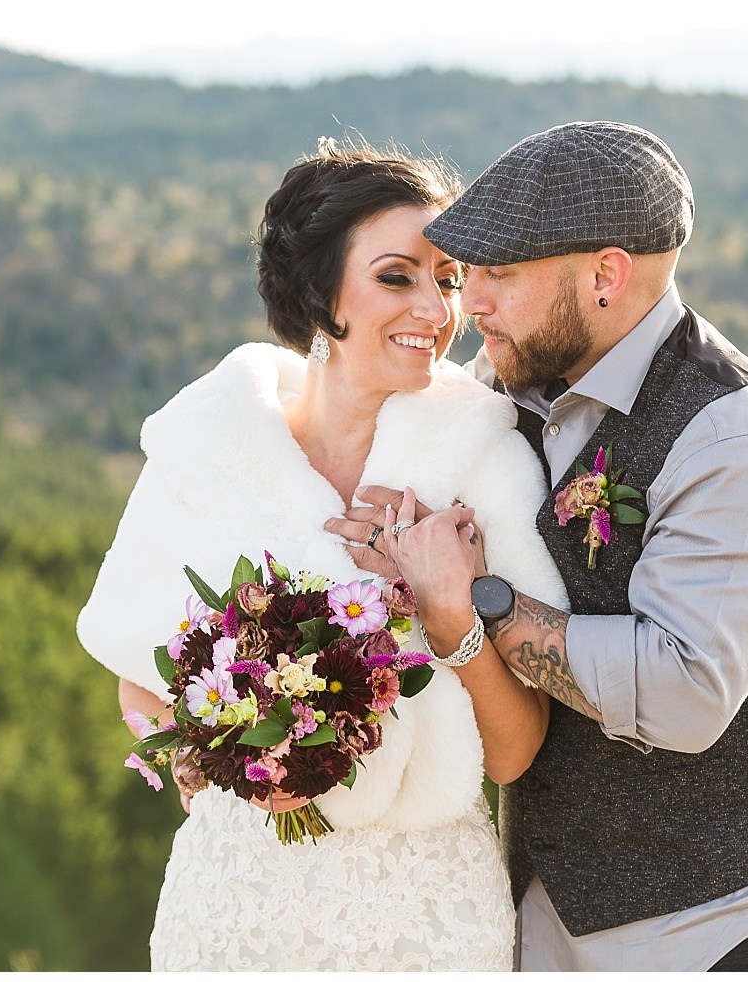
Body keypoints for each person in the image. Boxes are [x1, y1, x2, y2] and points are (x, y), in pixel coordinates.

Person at [335, 122, 748, 971]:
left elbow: (684, 691)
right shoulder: (504, 389)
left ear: (607, 276)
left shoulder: (738, 441)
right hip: (540, 924)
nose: (471, 305)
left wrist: (477, 601)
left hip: (720, 928)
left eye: (500, 276)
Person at [76, 139, 568, 971]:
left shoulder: (487, 463)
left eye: (447, 279)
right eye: (396, 275)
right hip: (234, 907)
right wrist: (234, 758)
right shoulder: (210, 448)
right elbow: (140, 678)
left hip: (424, 918)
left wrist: (450, 609)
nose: (436, 309)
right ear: (318, 290)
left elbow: (517, 751)